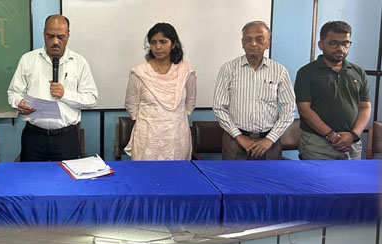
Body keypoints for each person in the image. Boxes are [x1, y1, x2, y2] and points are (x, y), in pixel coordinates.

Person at [7, 14, 98, 161]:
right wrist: (19, 102)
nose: (55, 41)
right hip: (34, 136)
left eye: (60, 37)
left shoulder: (79, 62)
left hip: (66, 137)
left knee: (66, 182)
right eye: (50, 36)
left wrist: (65, 94)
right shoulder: (28, 59)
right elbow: (13, 93)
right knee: (31, 180)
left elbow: (92, 99)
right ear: (43, 34)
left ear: (68, 35)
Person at [213, 21, 295, 160]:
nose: (253, 43)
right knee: (232, 180)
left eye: (259, 39)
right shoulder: (228, 69)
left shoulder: (279, 71)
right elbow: (219, 108)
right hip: (235, 141)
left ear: (268, 42)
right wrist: (239, 137)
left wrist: (269, 139)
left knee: (269, 181)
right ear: (242, 43)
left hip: (270, 142)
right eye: (248, 39)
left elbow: (289, 109)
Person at [295, 21, 371, 160]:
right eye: (334, 43)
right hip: (318, 145)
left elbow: (365, 107)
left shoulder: (358, 72)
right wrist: (331, 135)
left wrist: (353, 135)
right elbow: (304, 110)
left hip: (351, 144)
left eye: (345, 43)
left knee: (350, 182)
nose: (340, 48)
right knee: (316, 182)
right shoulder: (306, 72)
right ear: (321, 44)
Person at [124, 22, 196, 160]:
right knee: (145, 178)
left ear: (173, 44)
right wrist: (153, 121)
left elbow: (190, 103)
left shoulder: (186, 71)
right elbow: (131, 105)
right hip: (147, 137)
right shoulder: (139, 72)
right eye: (153, 42)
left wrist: (172, 119)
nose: (158, 47)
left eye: (163, 42)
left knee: (176, 178)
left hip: (176, 136)